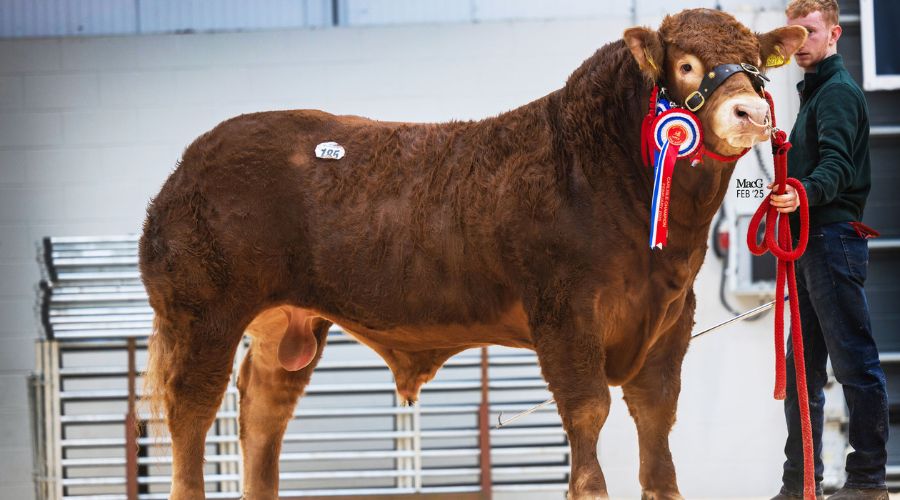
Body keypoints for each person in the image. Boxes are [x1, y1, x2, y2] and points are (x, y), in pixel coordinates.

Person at [767, 1, 889, 499]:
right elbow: (810, 171)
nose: (800, 41)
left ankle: (866, 482)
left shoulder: (836, 94)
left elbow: (836, 167)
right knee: (803, 371)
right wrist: (765, 195)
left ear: (835, 34)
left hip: (830, 240)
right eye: (793, 33)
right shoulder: (816, 95)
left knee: (854, 365)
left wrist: (803, 194)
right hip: (811, 243)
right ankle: (801, 484)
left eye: (809, 31)